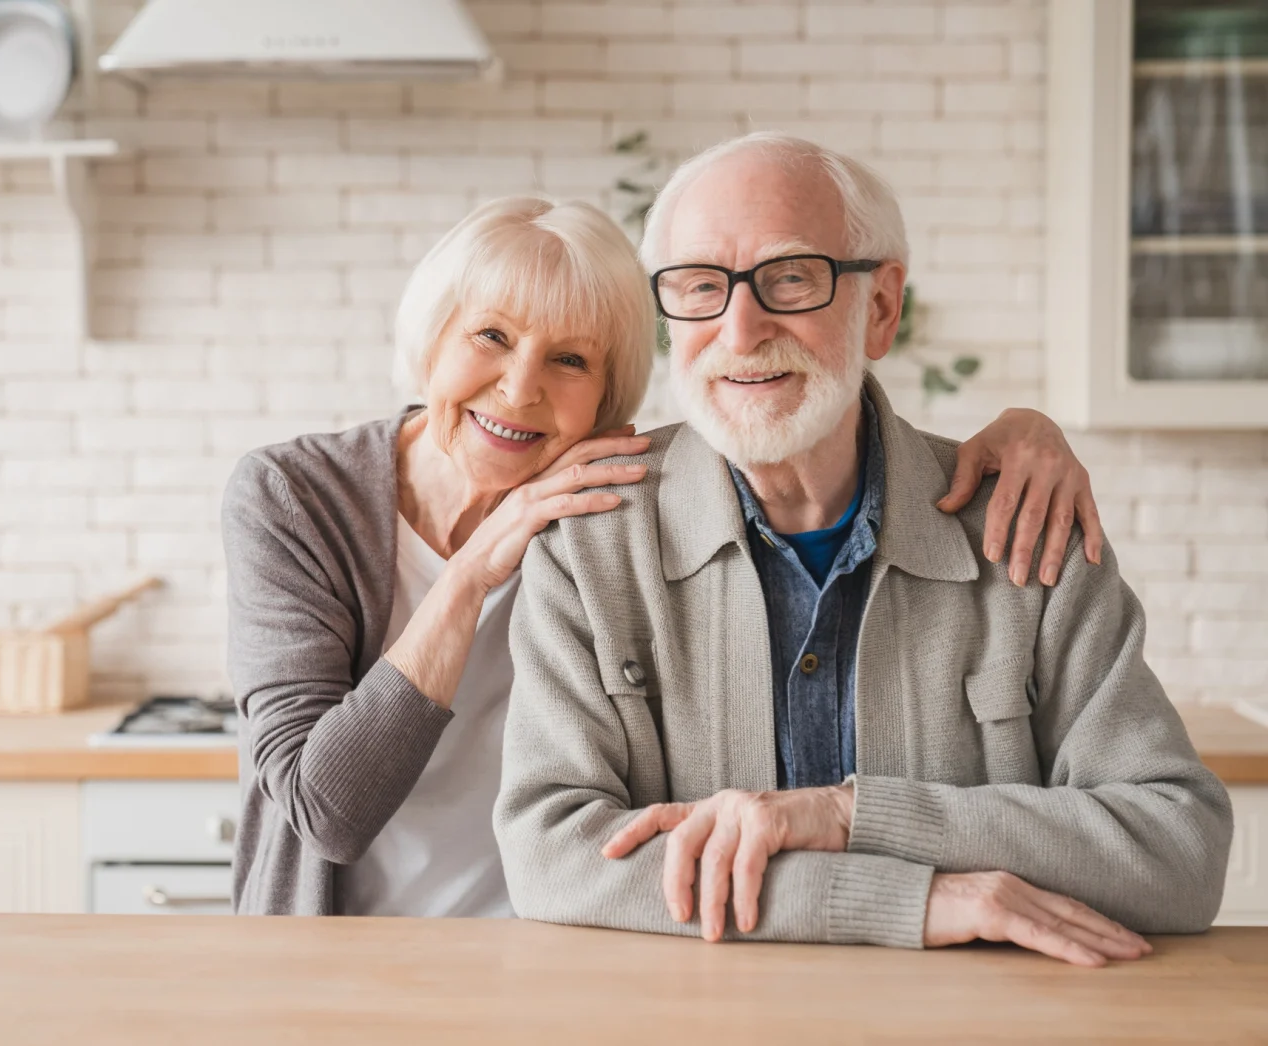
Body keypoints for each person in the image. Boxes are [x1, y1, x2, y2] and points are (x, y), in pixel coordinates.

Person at [223, 193, 1110, 917]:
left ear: (611, 403)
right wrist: (469, 575)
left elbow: (801, 425)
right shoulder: (295, 496)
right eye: (489, 337)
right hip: (341, 952)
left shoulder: (605, 504)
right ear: (433, 335)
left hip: (564, 945)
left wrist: (1028, 432)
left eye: (568, 359)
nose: (521, 388)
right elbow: (323, 811)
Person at [493, 133, 1233, 964]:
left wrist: (851, 815)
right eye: (701, 287)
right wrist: (907, 899)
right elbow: (552, 856)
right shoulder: (591, 541)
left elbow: (1179, 852)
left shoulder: (1025, 526)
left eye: (790, 279)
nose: (739, 331)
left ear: (880, 307)